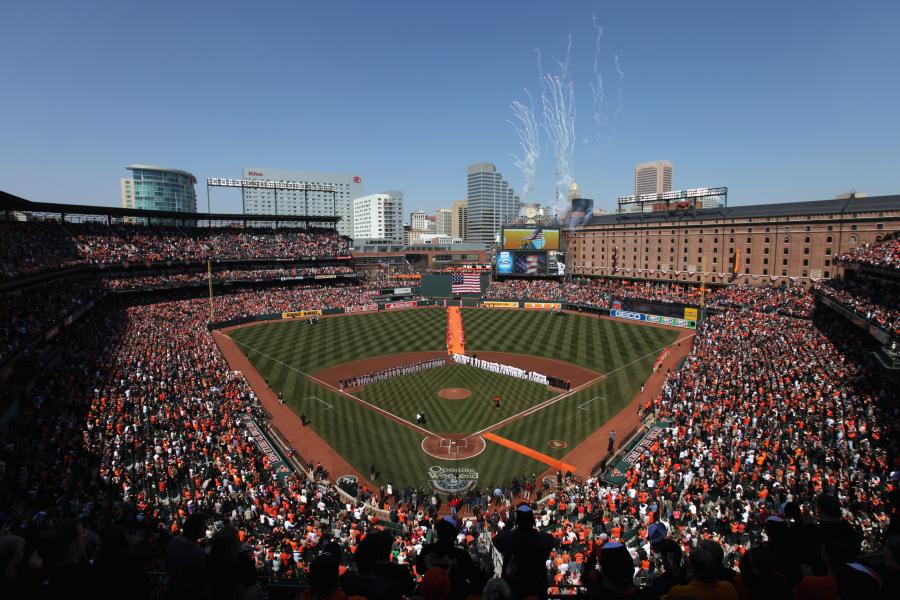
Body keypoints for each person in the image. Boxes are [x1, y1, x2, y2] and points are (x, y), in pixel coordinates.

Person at [493, 504, 555, 600]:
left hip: (514, 589)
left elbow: (496, 539)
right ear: (532, 520)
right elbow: (550, 539)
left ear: (517, 521)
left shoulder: (510, 538)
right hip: (537, 588)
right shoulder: (544, 538)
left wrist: (508, 524)